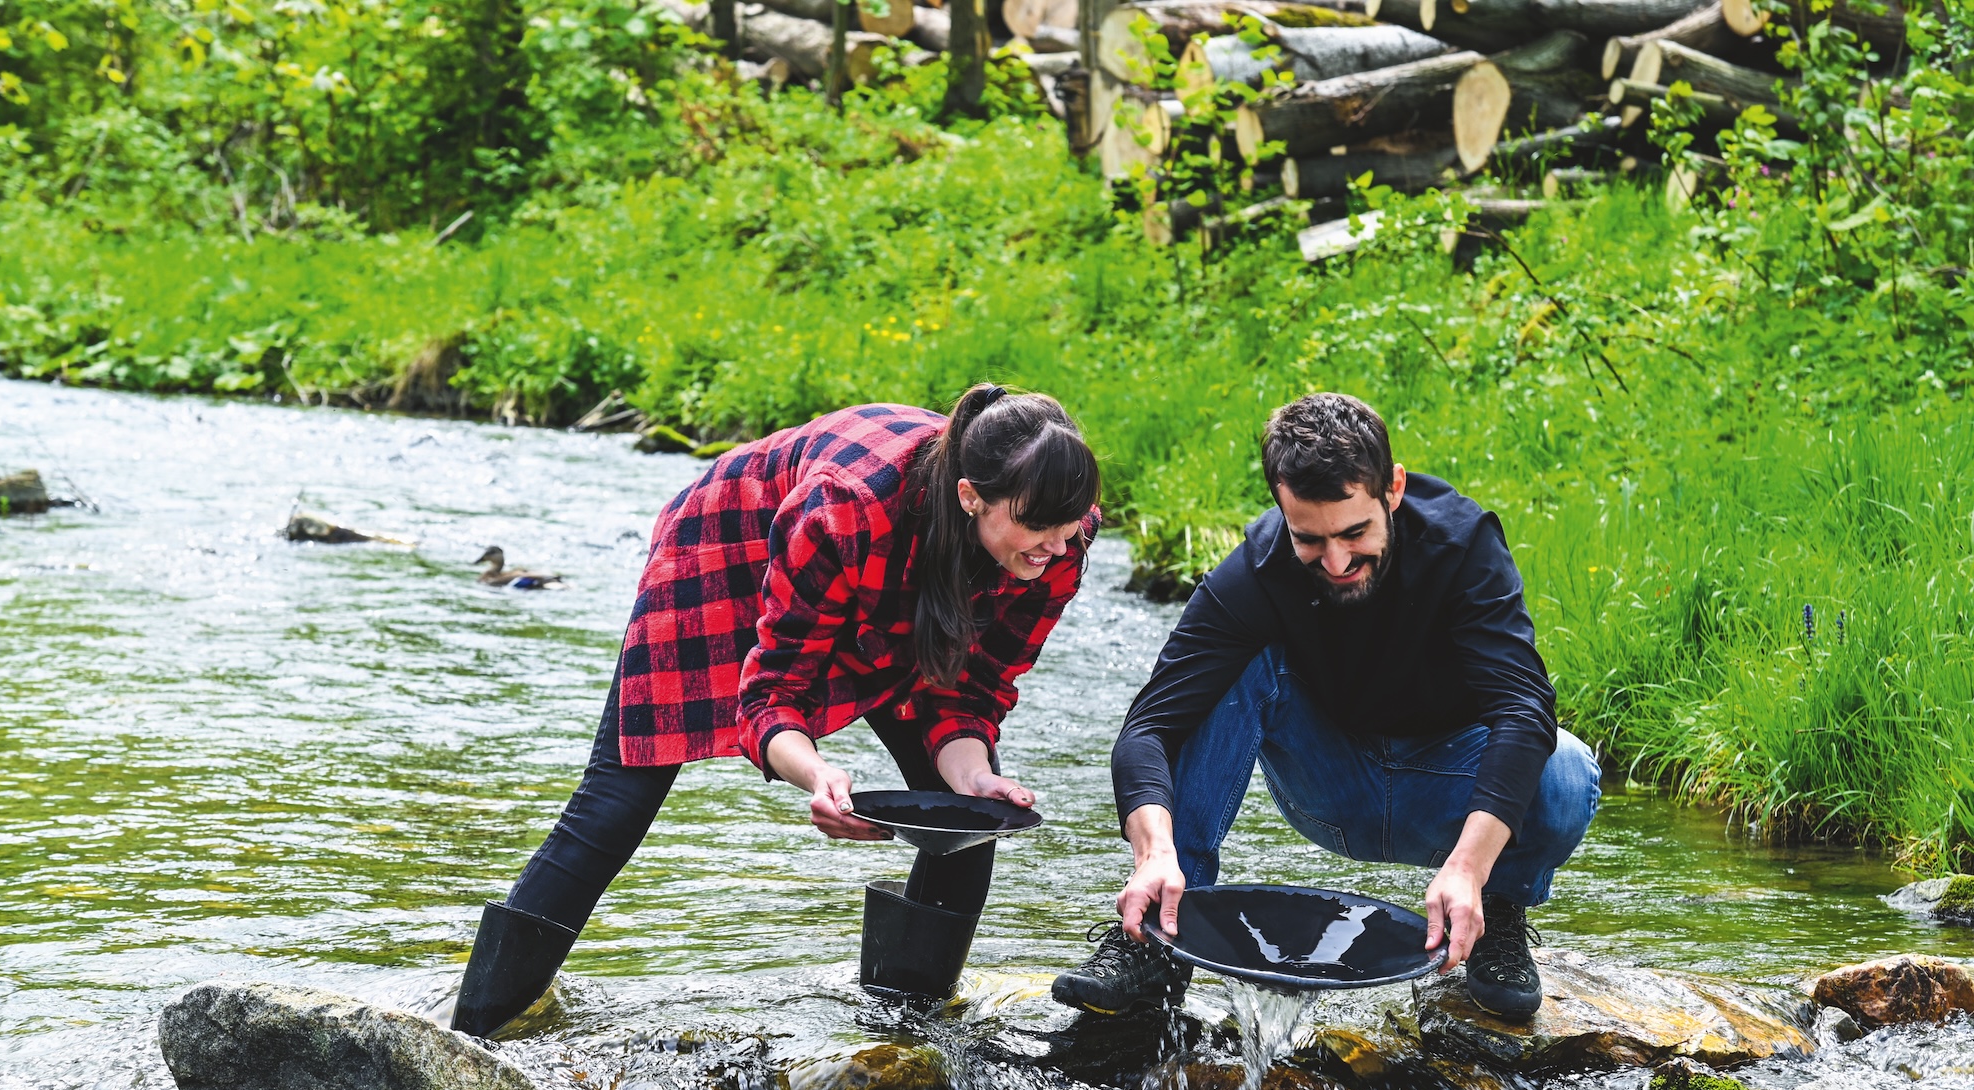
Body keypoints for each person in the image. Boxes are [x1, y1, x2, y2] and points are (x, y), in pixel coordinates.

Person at [453, 385, 1101, 1037]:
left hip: (900, 584)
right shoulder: (843, 505)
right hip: (730, 555)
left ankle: (905, 1046)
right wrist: (818, 776)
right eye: (1036, 526)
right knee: (614, 805)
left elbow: (971, 691)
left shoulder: (1059, 531)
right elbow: (770, 697)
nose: (1053, 544)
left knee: (963, 821)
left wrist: (973, 775)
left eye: (1065, 526)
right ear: (970, 495)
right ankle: (472, 1042)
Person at [1051, 392, 1598, 1021]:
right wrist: (1154, 854)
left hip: (1449, 790)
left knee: (1565, 768)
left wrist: (1470, 868)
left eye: (1354, 532)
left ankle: (1494, 915)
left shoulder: (1463, 545)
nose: (1336, 561)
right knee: (1242, 663)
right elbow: (1149, 725)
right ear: (1282, 510)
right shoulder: (1257, 570)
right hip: (1332, 786)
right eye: (1309, 538)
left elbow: (1523, 708)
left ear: (1392, 489)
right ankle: (1160, 933)